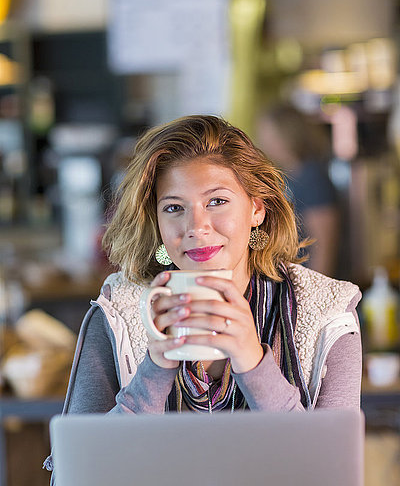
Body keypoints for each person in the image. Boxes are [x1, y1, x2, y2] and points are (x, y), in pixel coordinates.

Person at [44, 115, 361, 479]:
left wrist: (253, 362)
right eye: (174, 208)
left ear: (257, 209)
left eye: (217, 201)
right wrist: (155, 368)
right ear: (158, 222)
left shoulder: (326, 313)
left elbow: (328, 473)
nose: (196, 227)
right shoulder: (119, 313)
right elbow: (79, 475)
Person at [256, 104, 340, 277]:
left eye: (269, 134)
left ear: (287, 135)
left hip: (309, 283)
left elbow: (324, 243)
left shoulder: (312, 177)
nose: (263, 141)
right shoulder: (288, 176)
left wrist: (317, 293)